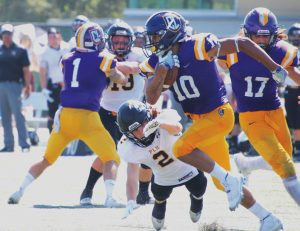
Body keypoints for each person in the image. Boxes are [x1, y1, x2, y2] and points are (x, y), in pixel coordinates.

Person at [143, 11, 285, 230]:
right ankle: (268, 219)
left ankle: (232, 180)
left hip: (218, 114)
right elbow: (151, 98)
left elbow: (241, 43)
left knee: (181, 149)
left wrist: (273, 66)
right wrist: (162, 72)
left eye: (155, 36)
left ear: (169, 33)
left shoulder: (197, 45)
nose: (152, 41)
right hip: (201, 123)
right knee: (221, 183)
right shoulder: (157, 60)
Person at [7, 22, 128, 205]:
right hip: (87, 118)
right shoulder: (105, 58)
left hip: (64, 115)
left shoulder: (67, 58)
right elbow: (119, 78)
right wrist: (117, 74)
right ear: (94, 40)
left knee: (46, 159)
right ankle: (110, 197)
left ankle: (19, 191)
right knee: (112, 157)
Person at [211, 8, 300, 207]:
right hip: (251, 116)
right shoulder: (232, 50)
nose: (260, 41)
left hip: (275, 111)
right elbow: (214, 69)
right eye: (256, 36)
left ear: (274, 34)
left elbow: (294, 74)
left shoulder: (281, 50)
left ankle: (246, 164)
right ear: (246, 34)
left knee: (285, 157)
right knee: (285, 166)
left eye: (265, 36)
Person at [79, 21, 153, 206]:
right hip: (107, 112)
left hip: (135, 114)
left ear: (131, 41)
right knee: (108, 154)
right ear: (109, 40)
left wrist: (117, 66)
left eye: (123, 40)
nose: (120, 44)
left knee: (145, 154)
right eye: (116, 40)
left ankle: (143, 194)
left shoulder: (137, 55)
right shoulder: (102, 56)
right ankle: (87, 191)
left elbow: (140, 68)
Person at [117, 100, 207, 230]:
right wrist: (138, 194)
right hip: (163, 179)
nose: (143, 130)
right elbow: (141, 168)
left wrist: (160, 123)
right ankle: (160, 203)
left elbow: (178, 128)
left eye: (144, 123)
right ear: (128, 135)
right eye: (136, 130)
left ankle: (197, 199)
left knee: (200, 188)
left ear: (149, 117)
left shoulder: (162, 119)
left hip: (187, 168)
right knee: (159, 200)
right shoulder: (128, 148)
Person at [0, 23, 31, 152]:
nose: (7, 36)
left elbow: (26, 70)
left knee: (18, 115)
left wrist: (27, 85)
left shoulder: (20, 50)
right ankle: (8, 144)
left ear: (12, 35)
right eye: (4, 34)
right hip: (1, 85)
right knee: (5, 116)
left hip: (15, 85)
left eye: (9, 34)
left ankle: (24, 143)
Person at [39, 27, 69, 133]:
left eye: (55, 36)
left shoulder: (66, 48)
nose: (53, 39)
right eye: (50, 37)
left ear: (59, 37)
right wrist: (43, 88)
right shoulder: (44, 52)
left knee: (68, 110)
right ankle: (51, 134)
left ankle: (67, 134)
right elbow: (42, 72)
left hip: (67, 85)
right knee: (52, 112)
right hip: (53, 85)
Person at [285, 23, 300, 161]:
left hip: (299, 89)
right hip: (288, 90)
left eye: (298, 35)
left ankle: (298, 147)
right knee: (290, 119)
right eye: (293, 35)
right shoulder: (287, 51)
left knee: (298, 120)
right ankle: (294, 146)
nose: (295, 38)